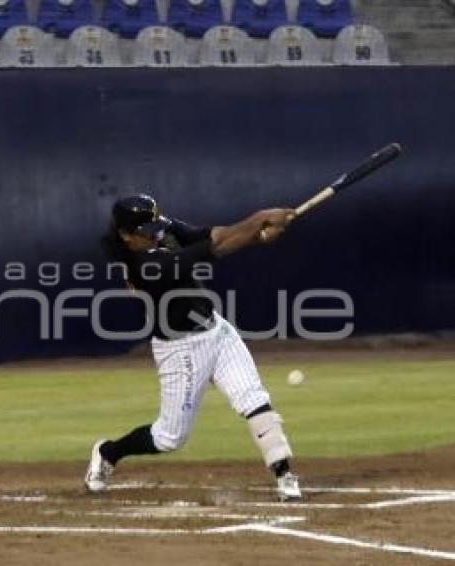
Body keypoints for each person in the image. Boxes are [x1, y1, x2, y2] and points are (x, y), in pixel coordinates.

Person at [84, 194, 302, 501]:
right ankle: (108, 452)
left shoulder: (158, 230)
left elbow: (210, 234)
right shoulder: (143, 267)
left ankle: (284, 474)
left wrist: (257, 233)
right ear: (126, 235)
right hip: (180, 350)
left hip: (217, 332)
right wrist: (259, 221)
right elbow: (216, 248)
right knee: (169, 438)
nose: (156, 233)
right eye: (147, 231)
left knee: (253, 398)